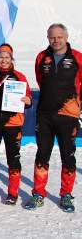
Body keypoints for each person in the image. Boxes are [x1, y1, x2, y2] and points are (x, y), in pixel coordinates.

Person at [25, 23, 82, 213]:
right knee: (42, 154)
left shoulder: (78, 58)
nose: (55, 40)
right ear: (47, 38)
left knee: (68, 156)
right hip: (45, 115)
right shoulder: (42, 57)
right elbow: (41, 81)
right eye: (52, 37)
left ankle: (66, 194)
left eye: (59, 37)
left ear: (66, 37)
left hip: (68, 115)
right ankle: (38, 194)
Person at [0, 44, 32, 205]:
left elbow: (28, 98)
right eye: (1, 57)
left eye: (7, 57)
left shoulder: (20, 77)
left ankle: (13, 193)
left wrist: (27, 101)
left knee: (13, 158)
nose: (3, 60)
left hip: (13, 122)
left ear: (11, 59)